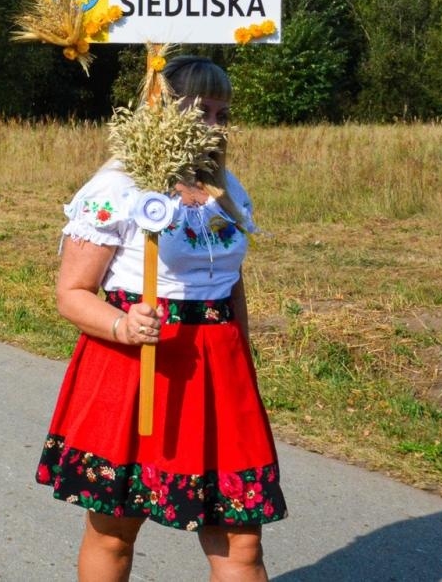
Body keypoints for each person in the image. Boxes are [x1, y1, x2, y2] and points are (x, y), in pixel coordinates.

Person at [36, 55, 283, 582]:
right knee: (114, 532)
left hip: (218, 374)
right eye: (201, 111)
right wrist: (123, 326)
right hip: (136, 367)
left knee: (242, 543)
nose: (215, 125)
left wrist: (243, 356)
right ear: (165, 111)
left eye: (222, 113)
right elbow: (72, 293)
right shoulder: (118, 186)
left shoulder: (225, 189)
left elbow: (231, 283)